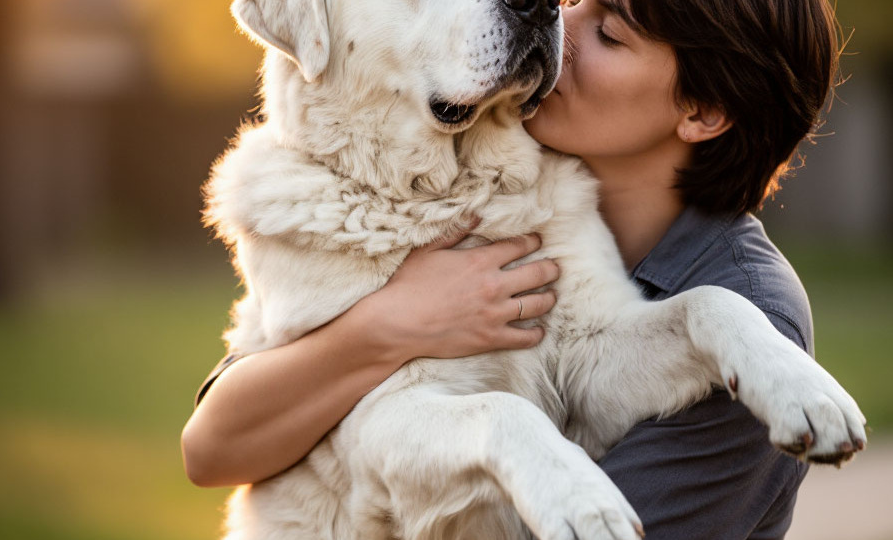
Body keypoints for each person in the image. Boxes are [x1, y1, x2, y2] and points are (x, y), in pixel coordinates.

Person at [182, 0, 841, 537]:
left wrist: (726, 330)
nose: (552, 17)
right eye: (571, 1)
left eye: (609, 33)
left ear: (701, 113)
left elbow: (589, 370)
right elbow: (213, 445)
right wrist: (392, 323)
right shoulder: (525, 161)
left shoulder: (748, 302)